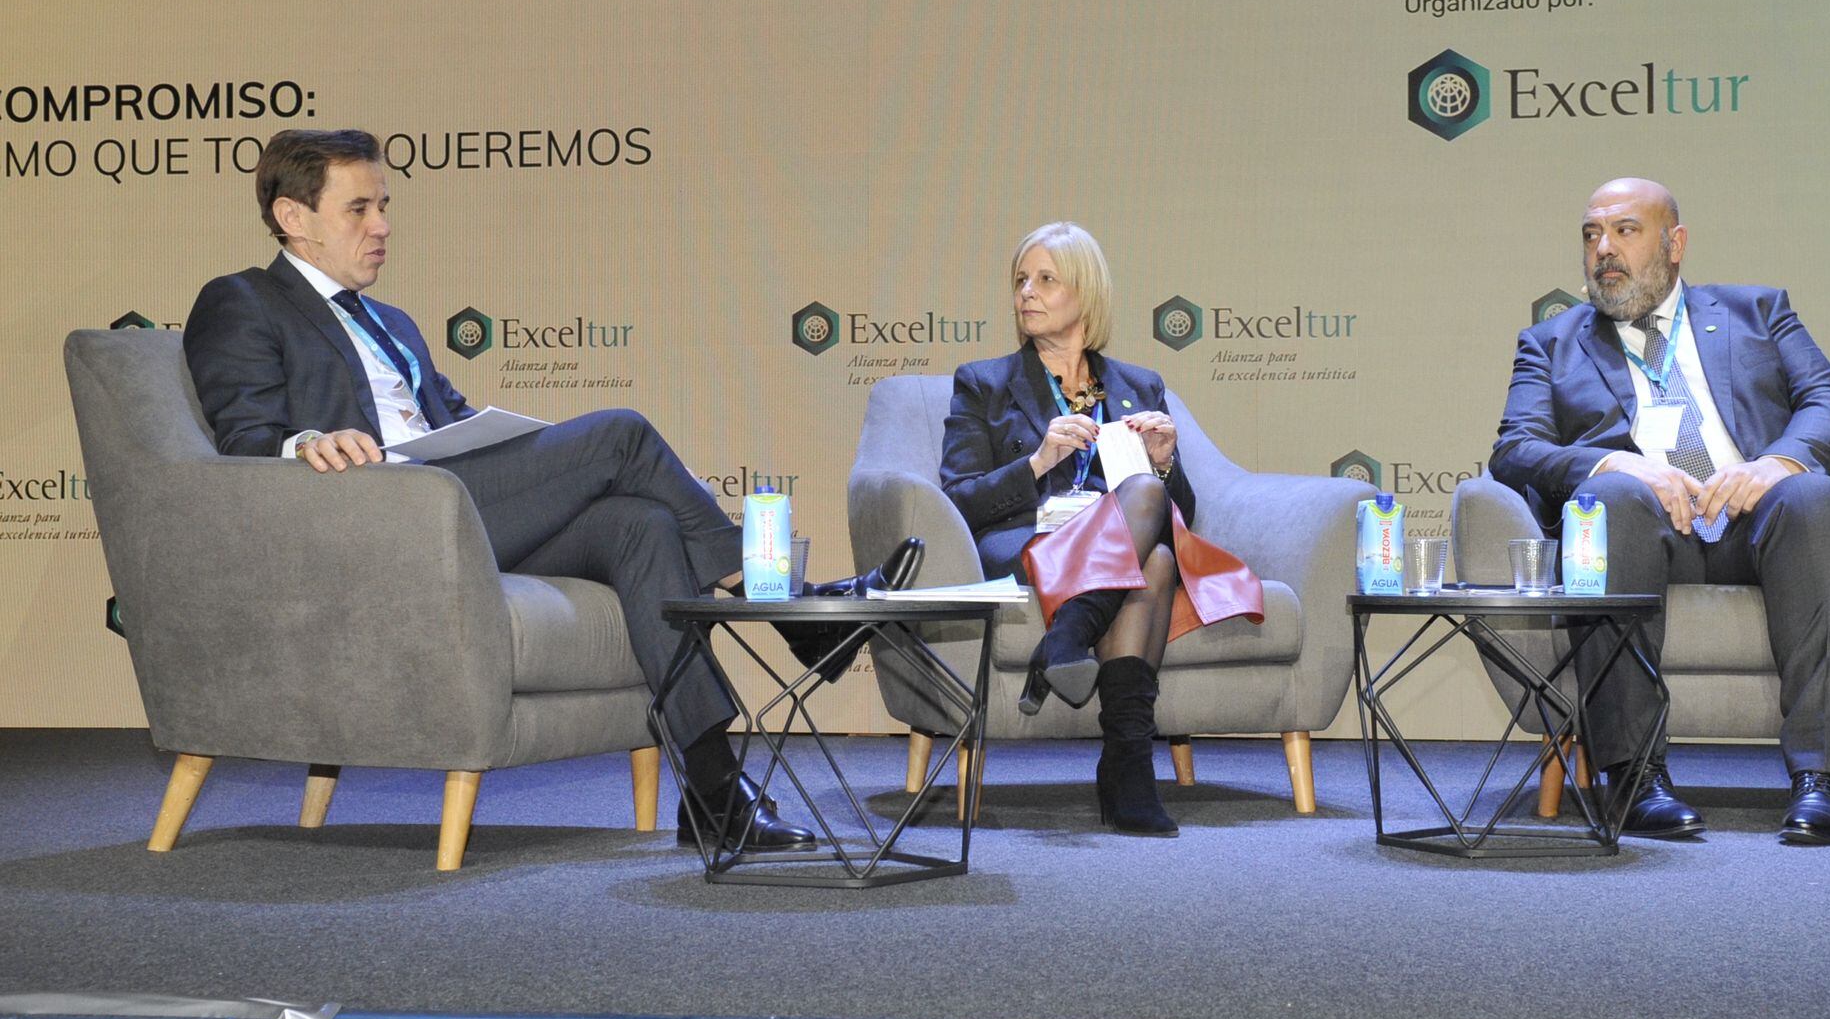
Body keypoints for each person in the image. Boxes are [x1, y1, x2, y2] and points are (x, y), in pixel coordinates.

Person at [182, 128, 921, 854]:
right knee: (621, 434)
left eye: (384, 206)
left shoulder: (391, 322)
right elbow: (243, 437)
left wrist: (507, 439)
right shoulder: (243, 300)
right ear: (293, 216)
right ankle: (791, 610)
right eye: (358, 209)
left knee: (640, 524)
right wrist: (306, 443)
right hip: (383, 528)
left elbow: (451, 420)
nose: (382, 226)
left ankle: (714, 792)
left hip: (457, 510)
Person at [1490, 177, 1830, 845]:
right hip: (1642, 529)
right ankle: (1635, 777)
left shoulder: (1757, 311)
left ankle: (1825, 781)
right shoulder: (1551, 342)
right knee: (1607, 500)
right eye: (1591, 234)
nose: (1603, 249)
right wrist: (1614, 464)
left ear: (1675, 244)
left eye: (1625, 231)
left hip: (1759, 523)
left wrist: (1775, 463)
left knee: (1814, 494)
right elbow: (1515, 450)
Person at [939, 222, 1261, 837]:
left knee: (1157, 549)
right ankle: (1120, 750)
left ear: (1085, 293)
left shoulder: (1140, 385)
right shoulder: (983, 384)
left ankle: (1109, 724)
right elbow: (959, 498)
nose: (1026, 292)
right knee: (1146, 536)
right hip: (1030, 546)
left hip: (1115, 553)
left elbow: (1179, 518)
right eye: (1021, 280)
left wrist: (1163, 462)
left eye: (1046, 279)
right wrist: (1037, 463)